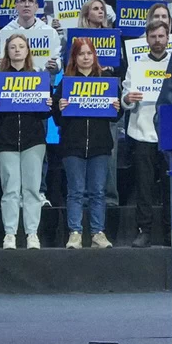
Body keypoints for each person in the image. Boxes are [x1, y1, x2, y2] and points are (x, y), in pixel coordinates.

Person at [55, 37, 119, 248]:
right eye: (81, 53)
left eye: (89, 53)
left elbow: (115, 116)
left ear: (94, 56)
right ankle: (75, 233)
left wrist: (117, 107)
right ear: (74, 57)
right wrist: (59, 108)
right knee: (75, 191)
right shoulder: (66, 82)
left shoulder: (106, 79)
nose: (85, 57)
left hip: (100, 145)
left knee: (98, 192)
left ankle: (97, 233)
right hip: (72, 145)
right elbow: (56, 118)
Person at [0, 30, 48, 249]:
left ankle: (32, 233)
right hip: (5, 141)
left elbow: (45, 114)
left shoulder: (38, 78)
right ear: (7, 52)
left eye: (21, 47)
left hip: (33, 141)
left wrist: (49, 105)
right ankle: (10, 234)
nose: (17, 50)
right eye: (13, 47)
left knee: (32, 189)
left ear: (27, 52)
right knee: (11, 189)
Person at [123, 19, 172, 247]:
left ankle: (171, 231)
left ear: (168, 38)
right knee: (144, 188)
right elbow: (125, 98)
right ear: (147, 39)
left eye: (161, 36)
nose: (157, 41)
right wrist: (127, 99)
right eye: (153, 37)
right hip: (142, 133)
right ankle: (144, 231)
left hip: (169, 134)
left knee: (169, 188)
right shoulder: (136, 66)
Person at [0, 0, 60, 74]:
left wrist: (55, 66)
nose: (26, 5)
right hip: (12, 79)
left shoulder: (50, 32)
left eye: (30, 1)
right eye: (22, 1)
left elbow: (57, 62)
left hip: (42, 80)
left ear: (36, 7)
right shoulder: (4, 32)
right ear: (16, 6)